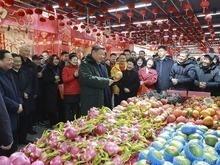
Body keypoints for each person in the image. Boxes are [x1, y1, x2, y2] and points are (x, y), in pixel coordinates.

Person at [79, 46, 114, 115]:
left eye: (104, 54)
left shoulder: (102, 66)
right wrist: (106, 81)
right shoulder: (85, 64)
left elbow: (103, 77)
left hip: (103, 96)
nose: (103, 56)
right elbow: (87, 78)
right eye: (101, 54)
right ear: (93, 52)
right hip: (92, 99)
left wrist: (112, 79)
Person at [0, 49, 23, 156]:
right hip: (5, 118)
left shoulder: (9, 73)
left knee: (13, 148)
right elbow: (2, 98)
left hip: (14, 116)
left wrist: (20, 103)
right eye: (9, 60)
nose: (12, 62)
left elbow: (17, 90)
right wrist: (15, 106)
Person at [11, 53, 32, 144]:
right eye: (16, 62)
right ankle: (15, 141)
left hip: (25, 100)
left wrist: (27, 92)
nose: (18, 63)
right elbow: (13, 89)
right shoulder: (9, 74)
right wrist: (22, 94)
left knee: (24, 120)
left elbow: (28, 84)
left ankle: (23, 139)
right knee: (16, 122)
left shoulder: (23, 72)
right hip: (15, 101)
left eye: (19, 61)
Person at [19, 46, 38, 135]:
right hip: (20, 91)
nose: (27, 52)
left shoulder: (32, 64)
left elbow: (35, 79)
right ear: (20, 52)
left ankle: (29, 128)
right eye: (25, 51)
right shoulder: (18, 62)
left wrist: (35, 91)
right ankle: (23, 130)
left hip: (30, 91)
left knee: (30, 110)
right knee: (22, 112)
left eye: (28, 51)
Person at [42, 55, 63, 126]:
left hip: (59, 90)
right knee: (51, 108)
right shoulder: (47, 69)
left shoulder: (60, 68)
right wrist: (53, 78)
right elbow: (44, 80)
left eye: (57, 59)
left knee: (60, 106)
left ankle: (60, 122)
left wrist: (60, 80)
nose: (56, 61)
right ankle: (53, 123)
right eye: (54, 59)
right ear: (51, 60)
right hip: (50, 91)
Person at [62, 53, 80, 121]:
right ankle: (67, 125)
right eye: (74, 60)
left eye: (76, 60)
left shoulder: (78, 68)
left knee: (76, 110)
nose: (75, 61)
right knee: (68, 110)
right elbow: (65, 80)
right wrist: (74, 76)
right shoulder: (65, 68)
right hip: (69, 93)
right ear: (69, 60)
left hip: (77, 92)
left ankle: (75, 124)